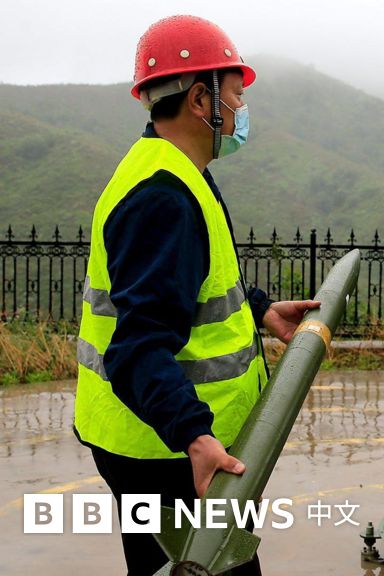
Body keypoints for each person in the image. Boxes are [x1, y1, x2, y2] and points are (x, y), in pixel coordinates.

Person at [73, 15, 319, 575]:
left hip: (153, 441)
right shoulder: (163, 196)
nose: (242, 109)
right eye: (236, 94)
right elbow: (137, 347)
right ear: (201, 99)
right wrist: (195, 438)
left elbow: (184, 288)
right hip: (164, 454)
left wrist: (259, 309)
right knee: (209, 567)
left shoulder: (173, 171)